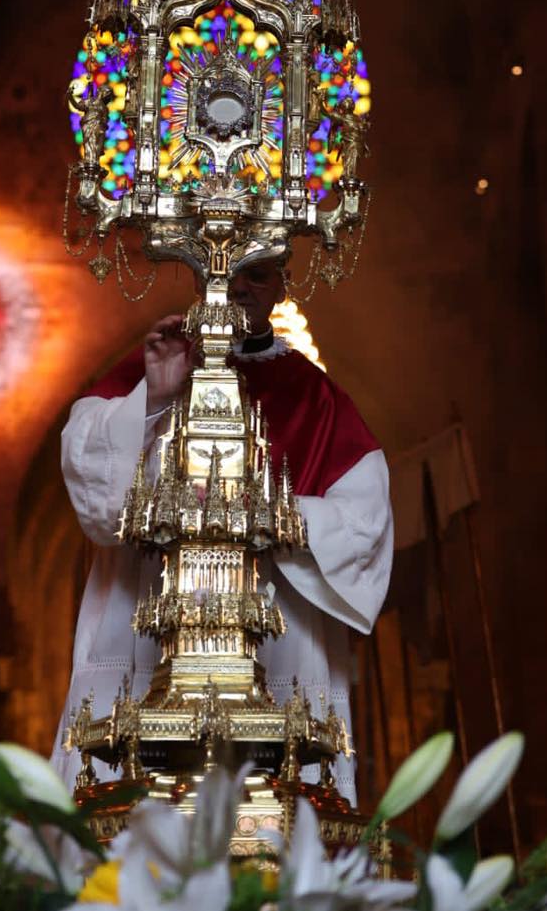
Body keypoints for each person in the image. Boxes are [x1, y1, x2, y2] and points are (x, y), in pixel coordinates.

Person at [50, 259, 393, 802]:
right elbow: (96, 490)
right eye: (226, 271)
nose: (238, 286)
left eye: (257, 273)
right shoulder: (152, 367)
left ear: (283, 283)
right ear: (195, 274)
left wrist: (274, 515)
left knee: (276, 810)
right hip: (146, 617)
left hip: (275, 632)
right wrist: (154, 398)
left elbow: (366, 520)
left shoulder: (315, 397)